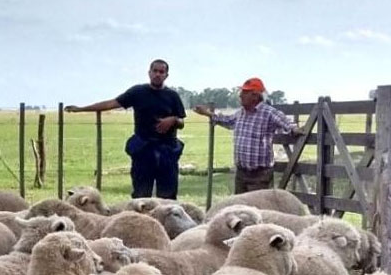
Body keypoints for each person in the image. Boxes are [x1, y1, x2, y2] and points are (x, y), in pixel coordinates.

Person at [65, 59, 186, 199]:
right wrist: (81, 109)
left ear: (166, 75)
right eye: (155, 71)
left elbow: (181, 122)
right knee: (141, 195)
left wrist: (173, 120)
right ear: (149, 73)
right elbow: (111, 103)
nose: (157, 74)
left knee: (168, 197)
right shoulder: (138, 92)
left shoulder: (172, 96)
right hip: (144, 149)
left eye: (161, 72)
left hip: (167, 151)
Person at [194, 77, 303, 194]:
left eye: (245, 92)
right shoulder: (241, 113)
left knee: (259, 208)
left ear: (255, 96)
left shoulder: (268, 113)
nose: (240, 95)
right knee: (241, 208)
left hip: (260, 175)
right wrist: (208, 114)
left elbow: (286, 122)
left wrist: (294, 129)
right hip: (241, 173)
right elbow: (227, 120)